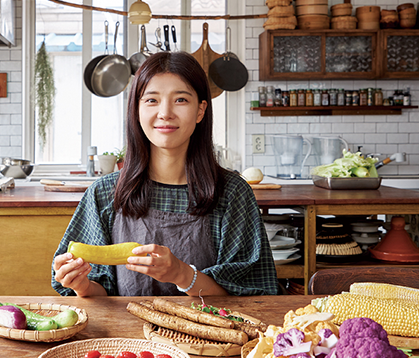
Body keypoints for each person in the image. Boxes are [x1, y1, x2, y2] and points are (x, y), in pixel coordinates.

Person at [52, 51, 277, 297]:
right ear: (136, 109)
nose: (165, 113)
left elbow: (251, 297)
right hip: (126, 336)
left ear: (200, 110)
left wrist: (181, 273)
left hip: (209, 335)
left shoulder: (232, 192)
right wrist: (81, 286)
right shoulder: (104, 193)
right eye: (152, 100)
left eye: (180, 100)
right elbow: (101, 298)